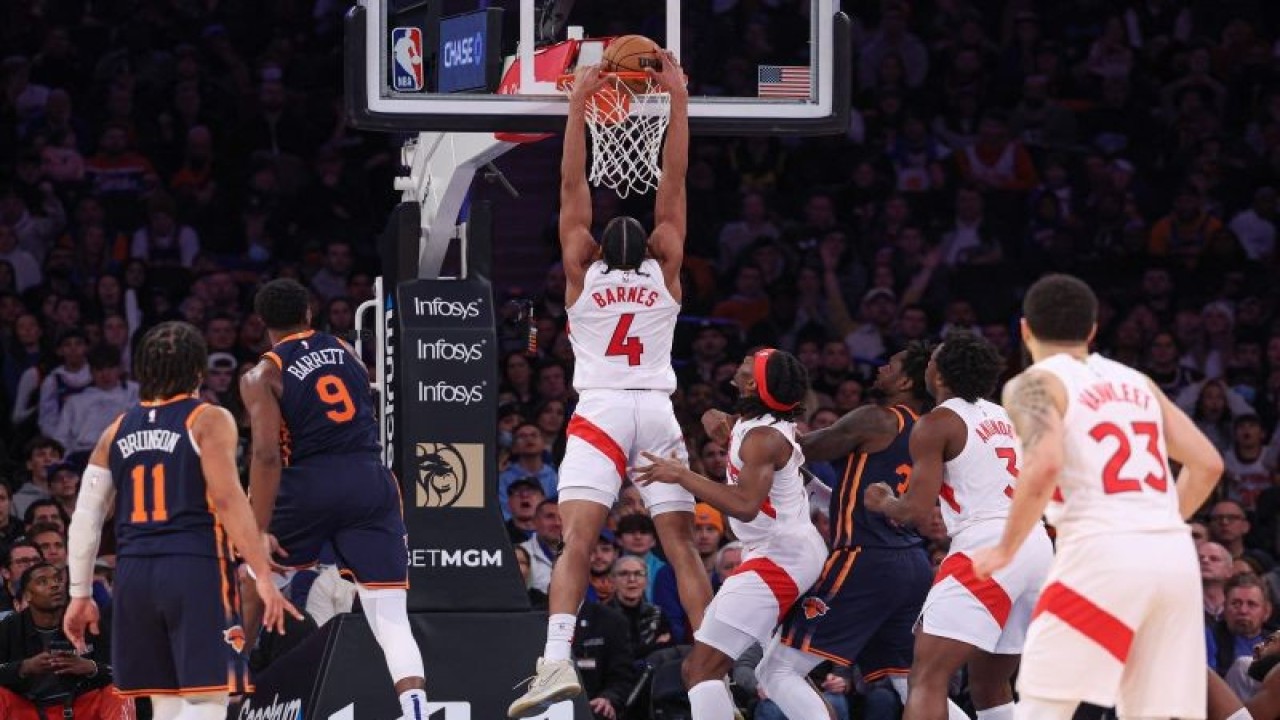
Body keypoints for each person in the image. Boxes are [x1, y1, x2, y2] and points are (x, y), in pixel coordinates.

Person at [509, 52, 713, 717]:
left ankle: (554, 663)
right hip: (656, 413)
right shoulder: (667, 268)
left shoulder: (580, 268)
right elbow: (672, 179)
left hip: (599, 412)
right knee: (681, 547)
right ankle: (712, 672)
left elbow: (574, 186)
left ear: (599, 245)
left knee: (574, 544)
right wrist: (676, 99)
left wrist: (577, 109)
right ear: (652, 244)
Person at [971, 274, 1222, 719]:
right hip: (1173, 559)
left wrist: (1005, 548)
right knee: (1152, 712)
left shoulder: (1035, 383)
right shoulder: (1138, 382)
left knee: (1044, 706)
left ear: (1025, 329)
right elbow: (1207, 465)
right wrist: (1155, 523)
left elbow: (1044, 465)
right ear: (1092, 330)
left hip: (1100, 553)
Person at [61, 320, 296, 719]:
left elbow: (85, 517)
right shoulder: (208, 418)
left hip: (134, 578)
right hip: (194, 570)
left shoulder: (114, 430)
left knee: (166, 705)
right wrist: (262, 573)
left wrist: (79, 594)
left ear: (142, 370)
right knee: (207, 701)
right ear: (197, 370)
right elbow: (227, 498)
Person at [239, 278, 429, 720]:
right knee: (390, 615)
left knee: (251, 577)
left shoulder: (262, 373)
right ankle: (415, 708)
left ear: (262, 323)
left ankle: (227, 687)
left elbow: (267, 454)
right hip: (369, 479)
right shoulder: (346, 352)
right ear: (308, 313)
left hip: (307, 483)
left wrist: (258, 528)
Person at [713, 343, 933, 716]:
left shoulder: (878, 418)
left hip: (867, 558)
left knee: (776, 669)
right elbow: (804, 470)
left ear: (907, 380)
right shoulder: (930, 429)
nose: (880, 367)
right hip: (912, 562)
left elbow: (800, 448)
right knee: (911, 682)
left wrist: (743, 429)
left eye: (890, 364)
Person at [863, 333, 1053, 720]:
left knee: (927, 677)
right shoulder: (1007, 416)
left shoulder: (937, 423)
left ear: (941, 373)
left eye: (932, 358)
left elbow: (914, 511)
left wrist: (884, 502)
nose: (927, 364)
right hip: (1035, 546)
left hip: (988, 546)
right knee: (988, 682)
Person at [634, 349, 828, 720]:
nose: (739, 363)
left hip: (780, 558)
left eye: (745, 365)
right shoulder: (756, 424)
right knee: (773, 672)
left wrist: (682, 475)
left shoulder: (762, 439)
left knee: (700, 669)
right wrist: (712, 417)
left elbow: (744, 505)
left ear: (753, 384)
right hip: (785, 550)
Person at [0, 562, 131, 720]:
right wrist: (24, 667)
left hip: (81, 705)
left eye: (58, 579)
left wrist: (91, 667)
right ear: (27, 595)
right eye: (43, 581)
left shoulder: (88, 621)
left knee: (119, 690)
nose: (55, 585)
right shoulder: (9, 627)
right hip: (28, 709)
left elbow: (124, 671)